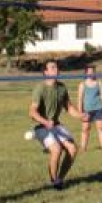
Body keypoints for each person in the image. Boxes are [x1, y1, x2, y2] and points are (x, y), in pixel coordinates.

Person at [29, 59, 84, 189]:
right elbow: (31, 112)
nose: (56, 69)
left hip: (56, 125)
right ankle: (54, 181)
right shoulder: (40, 88)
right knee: (56, 149)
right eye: (52, 67)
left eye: (57, 67)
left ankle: (59, 179)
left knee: (72, 149)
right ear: (46, 72)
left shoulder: (61, 87)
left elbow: (69, 108)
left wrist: (81, 115)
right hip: (41, 127)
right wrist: (45, 122)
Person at [77, 65, 102, 151]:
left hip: (98, 108)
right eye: (90, 72)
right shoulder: (82, 84)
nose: (92, 73)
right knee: (85, 128)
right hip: (86, 110)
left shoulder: (99, 83)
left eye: (93, 71)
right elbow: (80, 99)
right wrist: (80, 112)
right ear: (86, 73)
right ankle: (83, 148)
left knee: (101, 127)